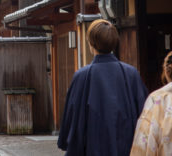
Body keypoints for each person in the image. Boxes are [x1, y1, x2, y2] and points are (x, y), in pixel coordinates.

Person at [57, 19, 147, 156]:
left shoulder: (82, 76)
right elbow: (144, 113)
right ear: (114, 42)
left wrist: (64, 140)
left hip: (90, 149)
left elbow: (72, 116)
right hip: (126, 148)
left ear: (90, 43)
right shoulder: (131, 74)